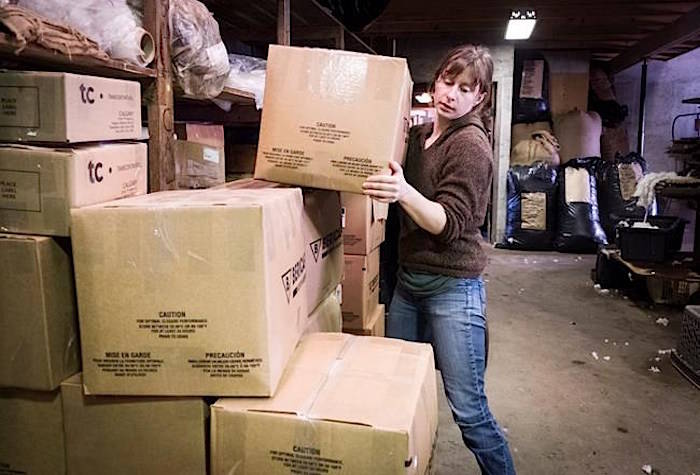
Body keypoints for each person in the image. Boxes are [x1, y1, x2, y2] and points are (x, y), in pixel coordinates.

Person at [362, 45, 516, 475]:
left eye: (466, 88)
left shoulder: (470, 146)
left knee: (469, 412)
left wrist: (404, 192)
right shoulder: (419, 135)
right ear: (435, 83)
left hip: (453, 289)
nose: (452, 94)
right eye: (448, 82)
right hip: (409, 285)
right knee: (399, 394)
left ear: (480, 97)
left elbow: (448, 223)